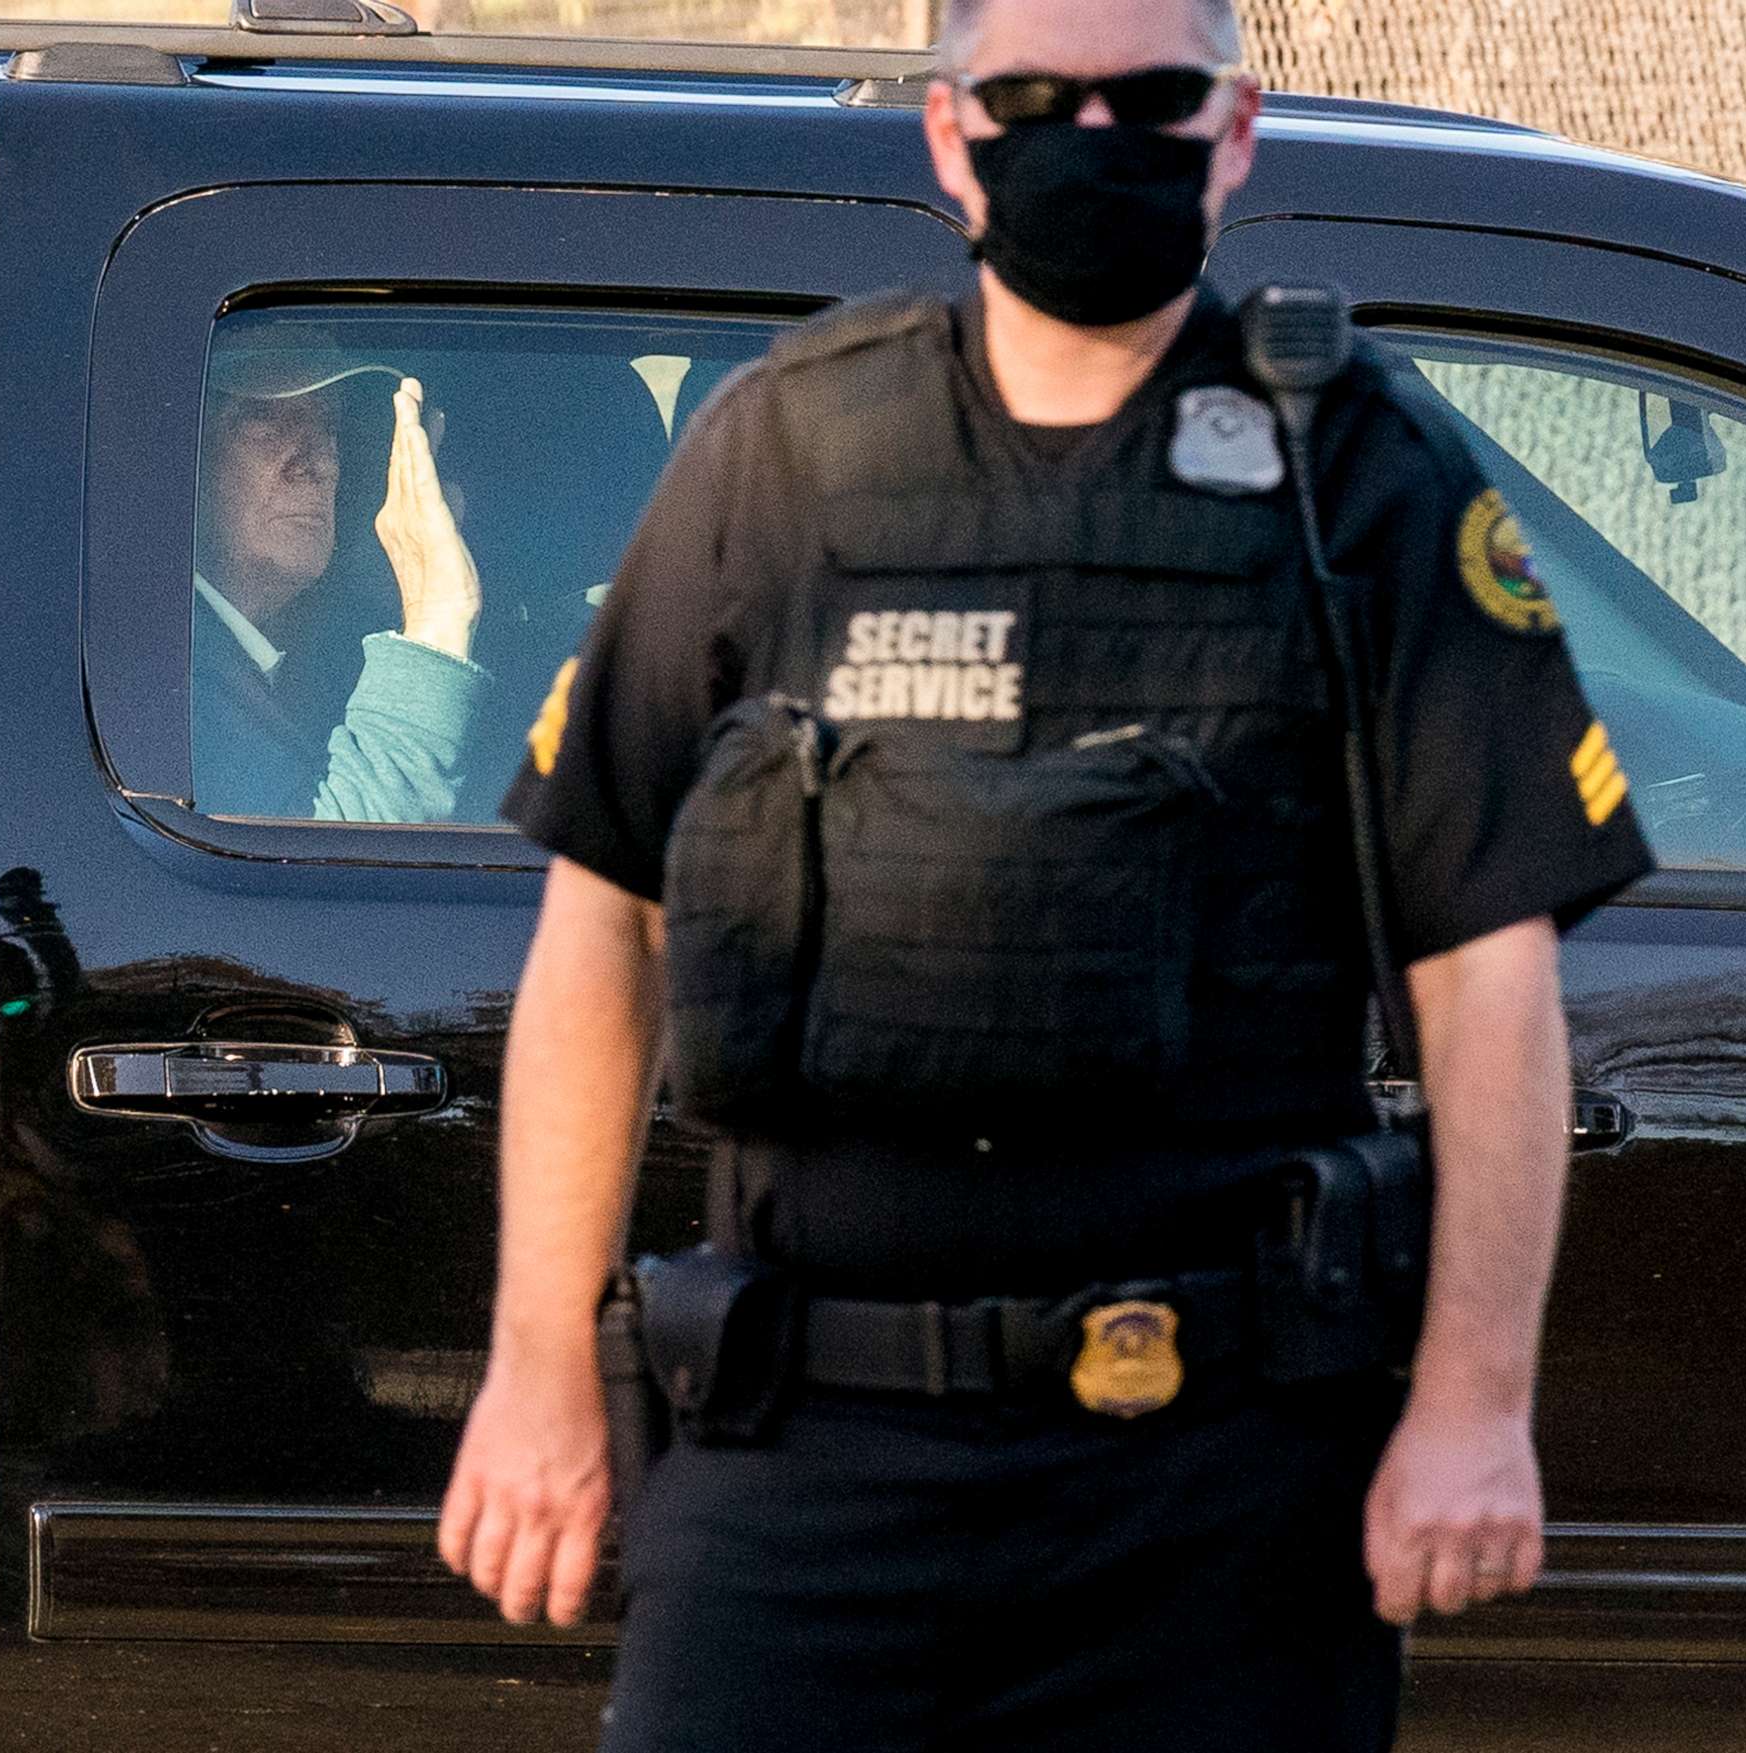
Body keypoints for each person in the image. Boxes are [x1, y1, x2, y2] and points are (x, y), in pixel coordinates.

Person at [435, 0, 1657, 1747]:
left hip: (1214, 1484)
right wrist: (539, 1369)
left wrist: (1472, 1398)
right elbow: (598, 931)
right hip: (806, 1460)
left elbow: (1489, 977)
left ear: (1233, 134)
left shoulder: (1356, 473)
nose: (1092, 135)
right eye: (1029, 97)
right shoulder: (780, 457)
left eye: (1149, 99)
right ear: (948, 139)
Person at [190, 329, 493, 823]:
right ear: (188, 455)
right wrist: (435, 616)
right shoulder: (165, 680)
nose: (317, 463)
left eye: (326, 425)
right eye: (266, 420)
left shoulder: (306, 657)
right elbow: (312, 870)